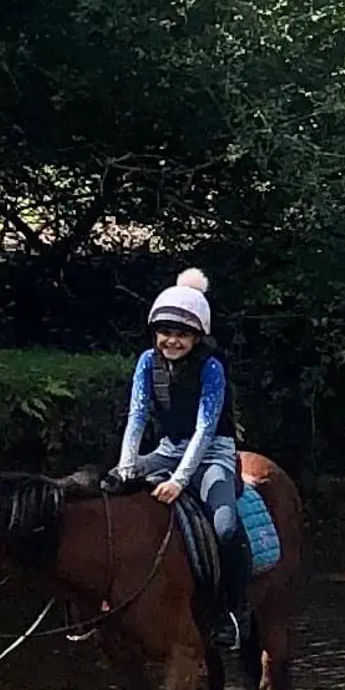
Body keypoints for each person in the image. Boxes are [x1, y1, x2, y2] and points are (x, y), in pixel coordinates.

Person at [113, 268, 251, 649]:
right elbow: (137, 416)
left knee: (224, 525)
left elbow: (206, 430)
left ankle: (231, 609)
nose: (172, 340)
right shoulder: (146, 363)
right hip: (165, 450)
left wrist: (179, 480)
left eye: (182, 334)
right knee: (105, 487)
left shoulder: (211, 368)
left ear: (197, 336)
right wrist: (127, 464)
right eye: (166, 332)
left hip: (212, 457)